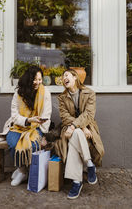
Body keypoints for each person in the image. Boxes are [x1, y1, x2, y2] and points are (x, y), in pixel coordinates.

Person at [54, 68, 104, 199]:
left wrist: (77, 126)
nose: (64, 78)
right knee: (76, 133)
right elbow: (64, 117)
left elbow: (89, 114)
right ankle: (89, 164)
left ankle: (77, 182)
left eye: (67, 75)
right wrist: (79, 127)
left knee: (75, 138)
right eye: (63, 76)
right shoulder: (61, 98)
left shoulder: (90, 93)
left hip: (88, 128)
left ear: (75, 77)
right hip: (71, 129)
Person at [2, 65, 52, 186]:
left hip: (37, 127)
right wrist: (28, 120)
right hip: (18, 126)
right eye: (35, 79)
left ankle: (22, 171)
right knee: (14, 144)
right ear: (28, 79)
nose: (38, 82)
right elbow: (14, 116)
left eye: (40, 79)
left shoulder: (45, 92)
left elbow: (47, 113)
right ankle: (22, 170)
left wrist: (43, 134)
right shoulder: (18, 93)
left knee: (33, 144)